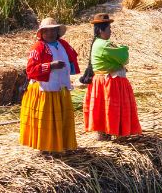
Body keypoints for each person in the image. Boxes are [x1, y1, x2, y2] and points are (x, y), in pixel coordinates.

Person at [19, 17, 79, 153]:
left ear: (58, 31)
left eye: (53, 30)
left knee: (60, 118)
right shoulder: (38, 47)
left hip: (60, 89)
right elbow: (31, 70)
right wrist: (50, 66)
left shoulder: (63, 45)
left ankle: (60, 145)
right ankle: (45, 147)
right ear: (41, 33)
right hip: (44, 89)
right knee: (46, 120)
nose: (50, 34)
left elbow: (72, 59)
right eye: (47, 31)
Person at [83, 13, 141, 141]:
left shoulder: (98, 43)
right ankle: (108, 133)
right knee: (110, 109)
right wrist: (124, 49)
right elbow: (124, 57)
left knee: (104, 109)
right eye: (109, 28)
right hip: (108, 82)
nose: (111, 31)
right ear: (101, 30)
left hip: (103, 80)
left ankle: (105, 133)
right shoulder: (104, 45)